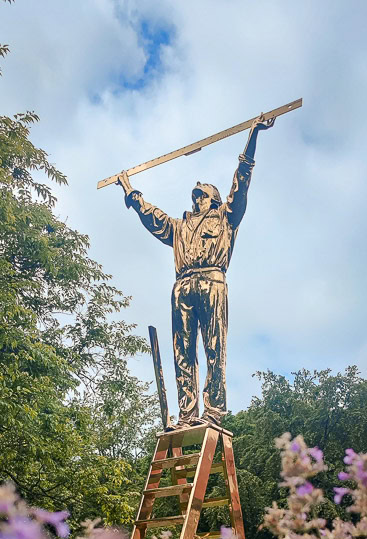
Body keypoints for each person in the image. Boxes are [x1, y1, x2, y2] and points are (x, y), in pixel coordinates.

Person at [117, 115, 275, 428]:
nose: (197, 197)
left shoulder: (227, 217)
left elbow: (241, 182)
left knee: (214, 347)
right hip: (183, 286)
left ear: (214, 198)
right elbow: (153, 217)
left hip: (213, 280)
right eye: (195, 194)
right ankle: (187, 415)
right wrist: (130, 191)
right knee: (182, 352)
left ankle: (213, 410)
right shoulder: (179, 227)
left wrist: (253, 135)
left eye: (202, 193)